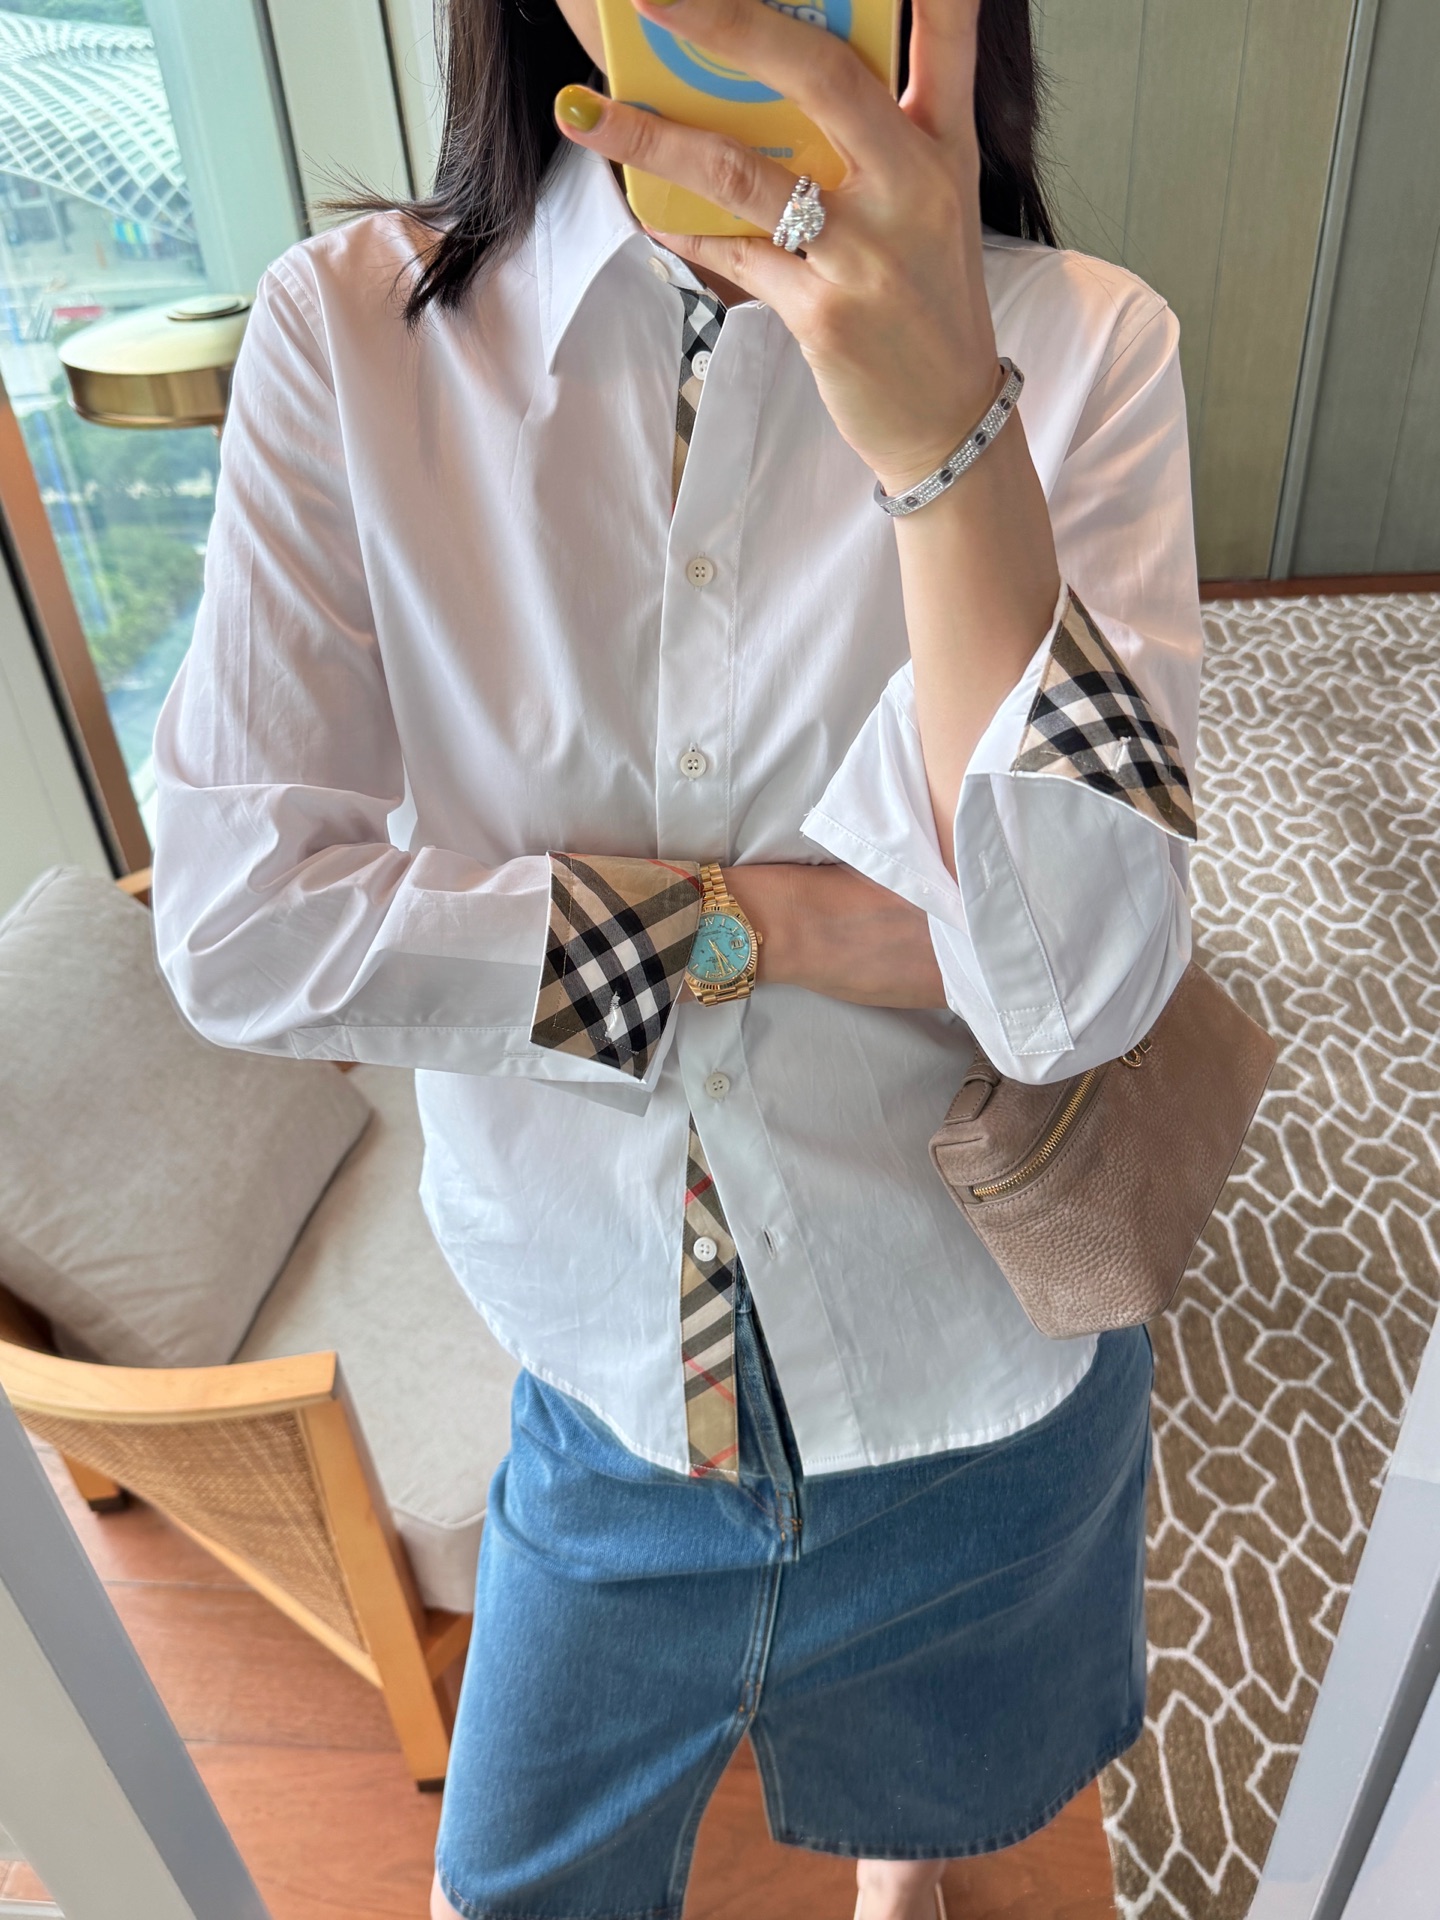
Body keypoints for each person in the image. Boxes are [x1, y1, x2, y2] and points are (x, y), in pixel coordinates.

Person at [150, 0, 1202, 1912]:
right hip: (607, 1396)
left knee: (942, 1831)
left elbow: (1076, 990)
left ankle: (896, 1873)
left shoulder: (1085, 348)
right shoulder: (351, 339)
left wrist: (946, 442)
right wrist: (752, 927)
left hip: (979, 1383)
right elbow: (242, 926)